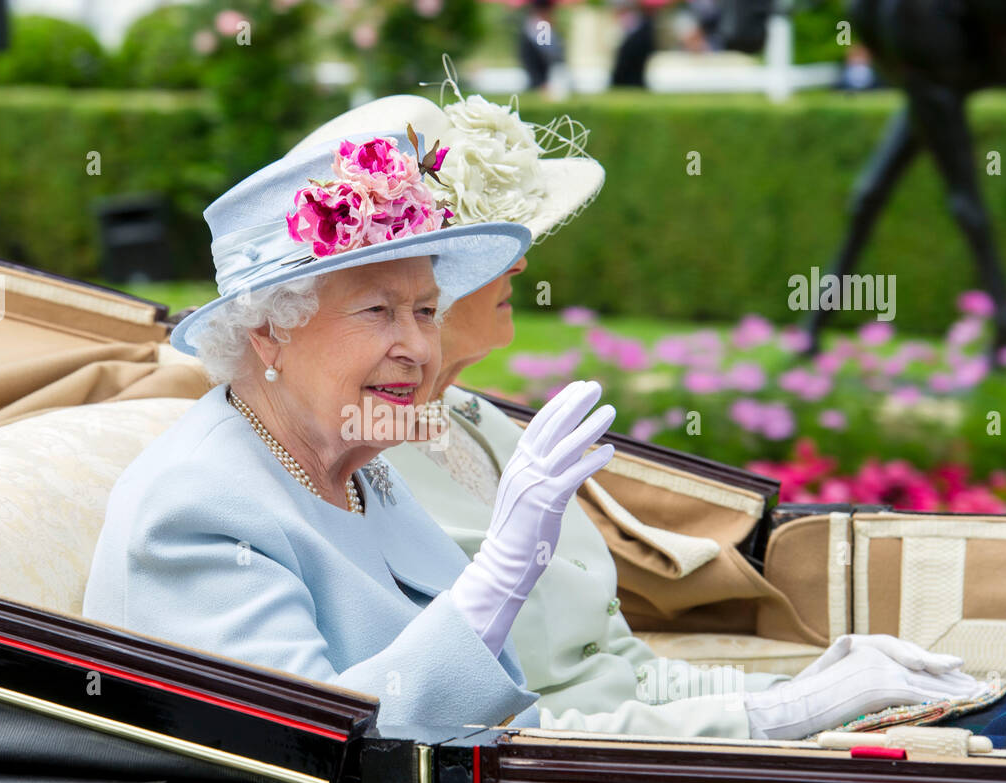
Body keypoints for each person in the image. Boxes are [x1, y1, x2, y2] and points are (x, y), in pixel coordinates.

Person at [286, 83, 988, 739]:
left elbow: (623, 666)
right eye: (487, 249)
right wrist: (785, 713)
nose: (523, 262)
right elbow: (487, 735)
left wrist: (815, 679)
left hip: (657, 747)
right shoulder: (357, 467)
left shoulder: (474, 419)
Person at [82, 130, 617, 734]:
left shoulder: (359, 468)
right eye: (376, 312)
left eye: (424, 312)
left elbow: (492, 721)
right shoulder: (196, 504)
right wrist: (502, 572)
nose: (418, 349)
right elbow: (314, 747)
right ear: (268, 331)